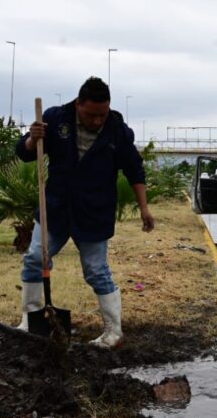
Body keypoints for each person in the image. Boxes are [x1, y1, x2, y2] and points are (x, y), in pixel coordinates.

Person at [15, 76, 155, 349]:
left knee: (96, 270)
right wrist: (33, 139)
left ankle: (113, 332)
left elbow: (135, 170)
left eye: (102, 115)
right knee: (34, 259)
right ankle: (31, 321)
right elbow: (25, 152)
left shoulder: (118, 130)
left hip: (94, 211)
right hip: (55, 207)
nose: (97, 121)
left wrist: (144, 208)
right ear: (79, 104)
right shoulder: (55, 119)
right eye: (91, 115)